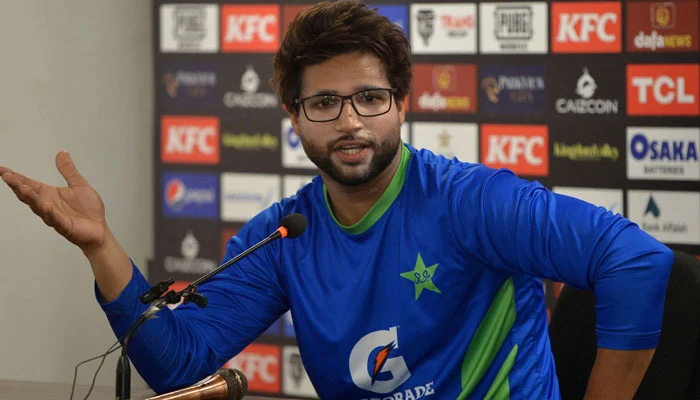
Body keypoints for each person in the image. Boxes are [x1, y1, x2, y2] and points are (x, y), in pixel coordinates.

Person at [0, 1, 673, 399]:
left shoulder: (474, 201)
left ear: (401, 105)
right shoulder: (283, 235)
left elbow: (637, 260)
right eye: (324, 102)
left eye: (371, 99)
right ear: (293, 117)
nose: (350, 122)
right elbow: (178, 362)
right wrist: (101, 246)